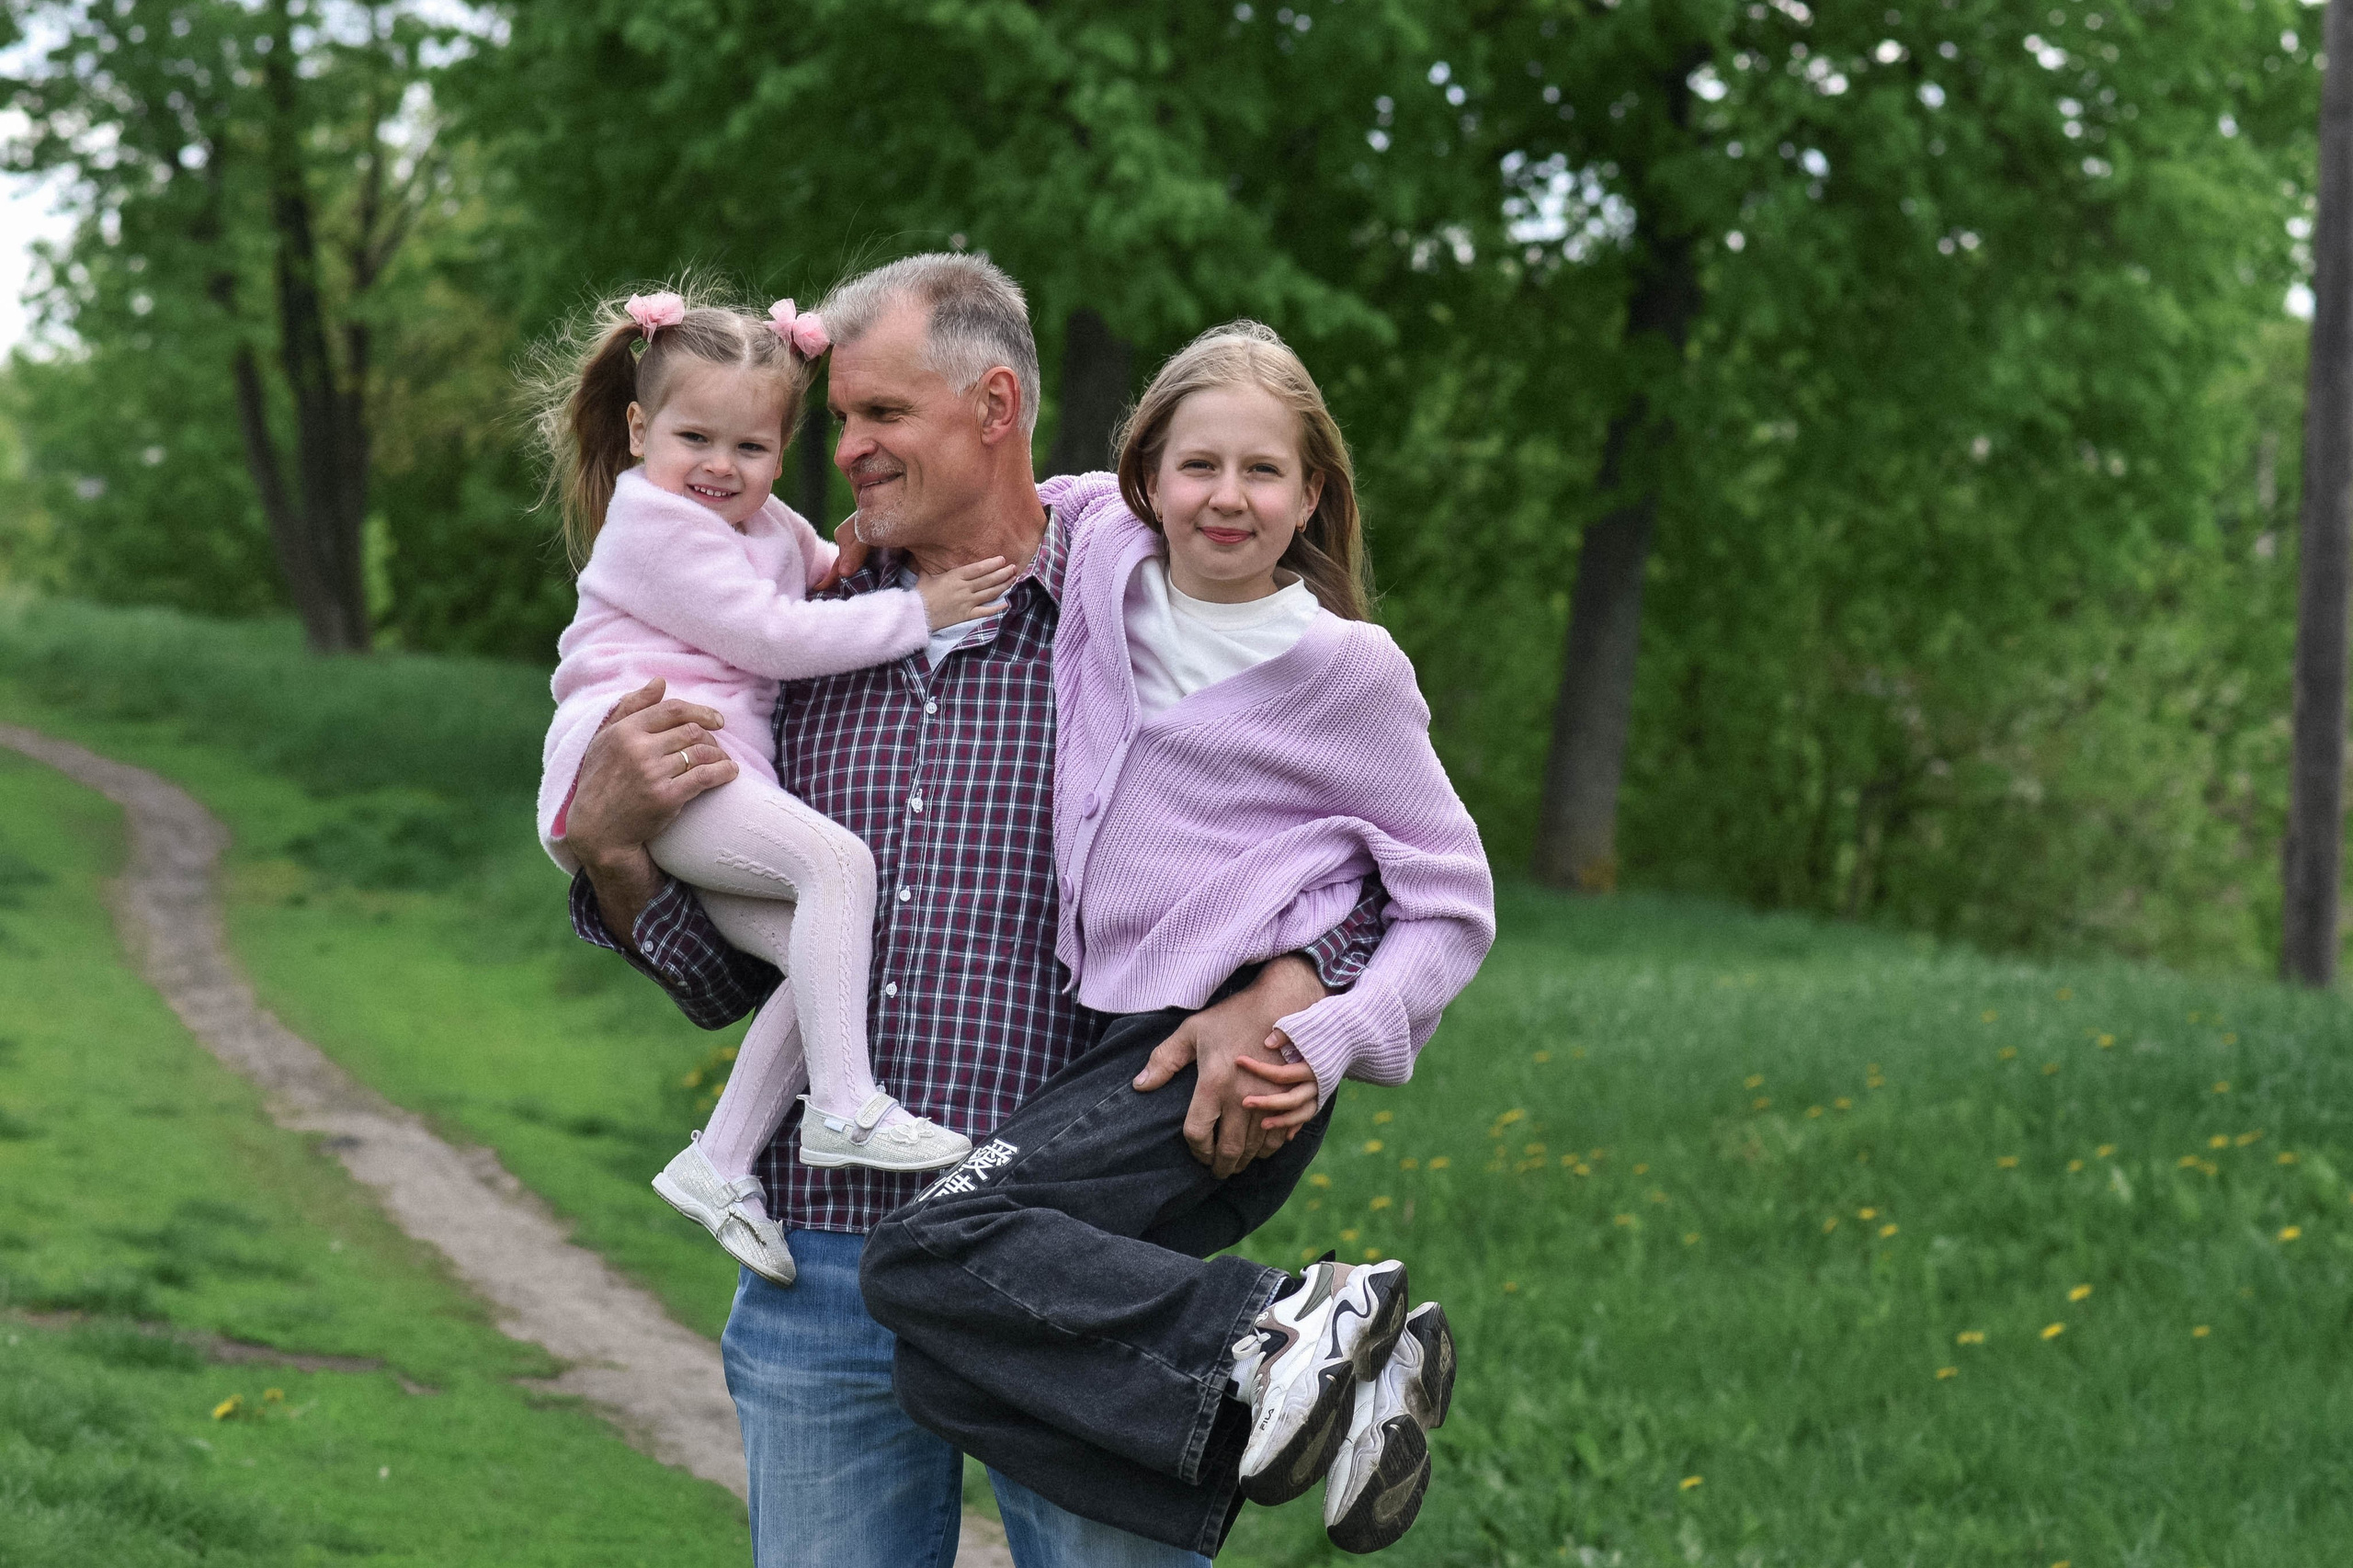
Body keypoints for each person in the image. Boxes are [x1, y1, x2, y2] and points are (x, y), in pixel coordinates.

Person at [558, 254, 1400, 1568]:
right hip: (817, 1262)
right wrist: (614, 853)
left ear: (994, 406)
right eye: (841, 417)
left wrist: (1284, 990)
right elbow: (736, 986)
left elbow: (1356, 865)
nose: (845, 448)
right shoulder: (791, 629)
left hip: (1066, 1277)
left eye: (882, 413)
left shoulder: (1142, 616)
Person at [859, 323, 1493, 1557]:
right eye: (1198, 464)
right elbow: (1009, 491)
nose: (1227, 496)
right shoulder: (1104, 551)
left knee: (925, 1251)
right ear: (1147, 473)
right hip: (1112, 1050)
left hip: (1216, 1058)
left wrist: (1326, 1034)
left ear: (1311, 493)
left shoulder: (1347, 670)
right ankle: (1327, 1400)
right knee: (944, 1362)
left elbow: (1452, 899)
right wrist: (858, 529)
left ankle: (1282, 1322)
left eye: (1263, 471)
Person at [533, 288, 1016, 1288]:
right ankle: (844, 1106)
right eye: (694, 438)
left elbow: (817, 569)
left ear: (779, 451)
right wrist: (919, 611)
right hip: (663, 762)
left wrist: (861, 554)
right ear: (639, 431)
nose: (721, 465)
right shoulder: (654, 522)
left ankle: (718, 1162)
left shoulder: (754, 520)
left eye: (750, 447)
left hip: (716, 776)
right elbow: (775, 636)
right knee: (840, 866)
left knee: (818, 956)